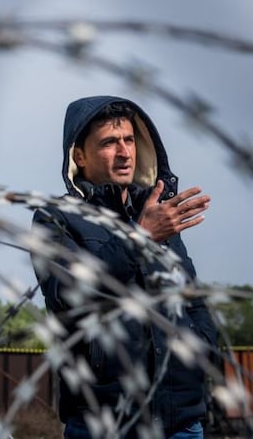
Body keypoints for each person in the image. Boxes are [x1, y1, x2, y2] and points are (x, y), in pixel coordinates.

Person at [32, 95, 218, 438]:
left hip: (182, 423)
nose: (124, 152)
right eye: (109, 142)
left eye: (129, 140)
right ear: (80, 156)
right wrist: (140, 239)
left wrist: (206, 349)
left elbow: (190, 296)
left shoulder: (157, 213)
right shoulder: (54, 219)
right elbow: (69, 294)